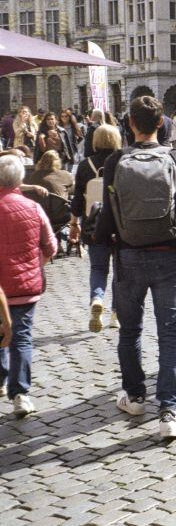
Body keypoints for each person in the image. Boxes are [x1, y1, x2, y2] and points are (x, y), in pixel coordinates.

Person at [94, 96, 176, 439]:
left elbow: (108, 214)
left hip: (127, 255)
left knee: (130, 329)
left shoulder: (116, 160)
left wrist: (98, 244)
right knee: (170, 331)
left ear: (130, 125)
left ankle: (136, 395)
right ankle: (169, 411)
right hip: (168, 255)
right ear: (161, 124)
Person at [0, 154, 58, 417]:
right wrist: (36, 264)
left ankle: (1, 379)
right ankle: (20, 393)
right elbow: (51, 246)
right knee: (21, 338)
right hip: (24, 287)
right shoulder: (33, 208)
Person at [70, 124, 122, 332]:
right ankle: (116, 314)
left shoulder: (85, 165)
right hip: (120, 225)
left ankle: (97, 298)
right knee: (120, 271)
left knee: (98, 268)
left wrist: (74, 224)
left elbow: (76, 201)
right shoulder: (123, 162)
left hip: (93, 224)